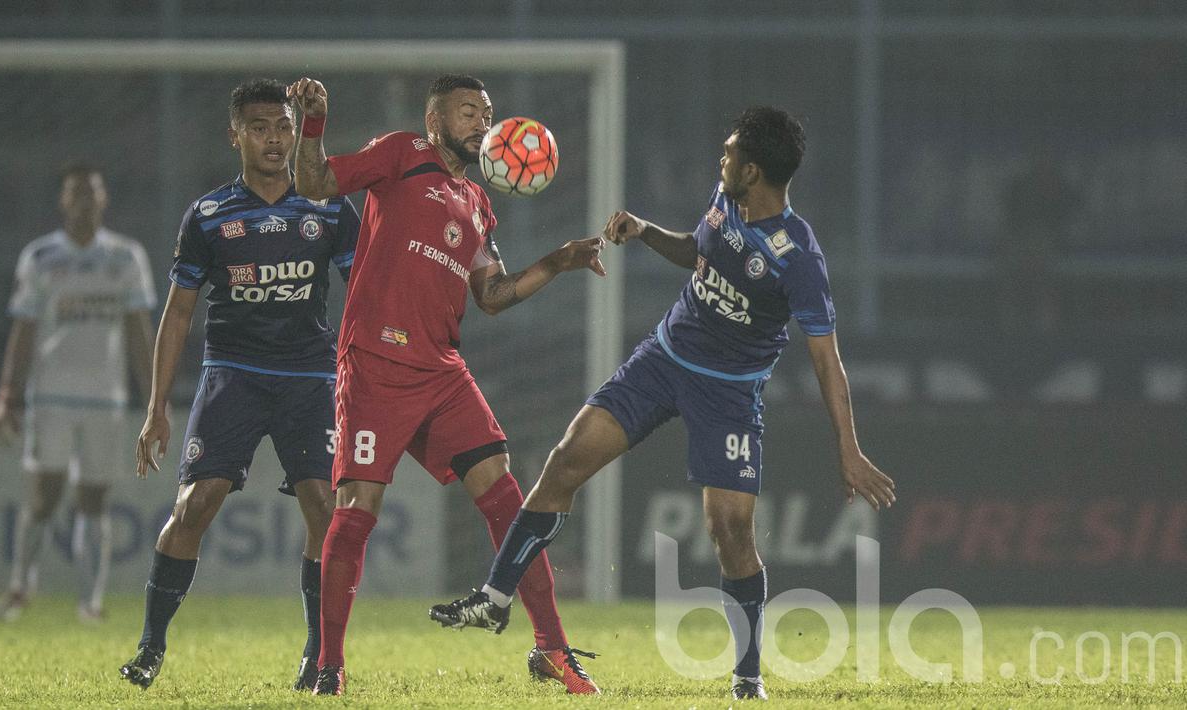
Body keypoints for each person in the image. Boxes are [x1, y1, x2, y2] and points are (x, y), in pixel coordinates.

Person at [429, 107, 898, 701]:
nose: (719, 159)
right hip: (663, 359)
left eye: (729, 154)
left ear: (753, 171)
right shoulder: (727, 200)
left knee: (729, 528)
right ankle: (495, 598)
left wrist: (849, 449)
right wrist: (647, 232)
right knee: (566, 459)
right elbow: (698, 251)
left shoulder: (798, 258)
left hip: (729, 393)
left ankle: (747, 676)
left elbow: (827, 361)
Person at [287, 73, 606, 696]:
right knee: (357, 513)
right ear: (436, 122)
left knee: (511, 499)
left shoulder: (478, 203)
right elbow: (315, 183)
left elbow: (491, 295)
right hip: (376, 363)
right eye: (467, 112)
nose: (481, 122)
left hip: (442, 371)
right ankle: (329, 665)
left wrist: (558, 262)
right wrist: (314, 125)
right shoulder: (402, 154)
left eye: (486, 111)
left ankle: (553, 650)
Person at [117, 78, 361, 692]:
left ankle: (318, 656)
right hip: (234, 376)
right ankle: (150, 647)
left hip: (310, 375)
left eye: (283, 125)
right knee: (194, 506)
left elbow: (365, 295)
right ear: (236, 136)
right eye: (260, 128)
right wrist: (156, 411)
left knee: (325, 510)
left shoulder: (329, 207)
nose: (275, 138)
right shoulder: (209, 215)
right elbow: (176, 315)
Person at [0, 163, 156, 624]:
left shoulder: (125, 257)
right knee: (44, 494)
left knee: (95, 499)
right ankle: (22, 586)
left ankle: (90, 601)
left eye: (92, 193)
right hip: (52, 397)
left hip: (106, 397)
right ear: (64, 201)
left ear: (104, 200)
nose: (84, 201)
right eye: (76, 193)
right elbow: (22, 329)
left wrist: (153, 396)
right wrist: (9, 391)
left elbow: (138, 331)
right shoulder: (41, 257)